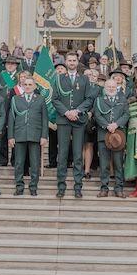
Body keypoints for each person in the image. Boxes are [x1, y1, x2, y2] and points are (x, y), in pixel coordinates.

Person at [51, 52, 94, 199]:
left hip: (78, 120)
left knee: (77, 155)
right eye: (69, 60)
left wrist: (77, 110)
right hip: (63, 120)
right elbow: (55, 99)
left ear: (77, 62)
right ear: (65, 62)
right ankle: (61, 186)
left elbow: (89, 99)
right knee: (62, 154)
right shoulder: (58, 79)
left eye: (74, 60)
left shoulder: (84, 79)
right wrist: (66, 112)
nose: (71, 62)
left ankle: (77, 186)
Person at [8, 76, 48, 196]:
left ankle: (33, 187)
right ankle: (19, 187)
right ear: (22, 86)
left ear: (35, 86)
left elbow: (44, 119)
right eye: (26, 85)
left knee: (35, 163)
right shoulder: (16, 99)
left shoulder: (40, 99)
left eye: (30, 85)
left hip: (35, 135)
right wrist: (10, 136)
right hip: (19, 135)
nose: (28, 87)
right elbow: (11, 119)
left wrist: (44, 136)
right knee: (19, 163)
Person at [91, 76, 128, 198]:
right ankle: (104, 188)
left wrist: (116, 124)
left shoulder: (123, 99)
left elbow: (126, 114)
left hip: (119, 136)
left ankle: (119, 188)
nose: (111, 89)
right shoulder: (99, 100)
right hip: (103, 134)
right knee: (104, 163)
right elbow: (97, 115)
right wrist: (107, 126)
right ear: (104, 88)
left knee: (118, 163)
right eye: (108, 87)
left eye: (113, 86)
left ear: (117, 87)